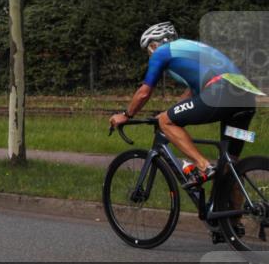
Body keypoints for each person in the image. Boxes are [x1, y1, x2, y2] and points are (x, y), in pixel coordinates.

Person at [110, 22, 262, 192]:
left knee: (166, 122)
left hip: (220, 92)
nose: (150, 55)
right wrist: (170, 111)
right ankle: (232, 217)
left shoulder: (162, 51)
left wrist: (126, 114)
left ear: (154, 45)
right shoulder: (192, 47)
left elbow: (144, 92)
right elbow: (191, 93)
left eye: (148, 50)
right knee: (230, 166)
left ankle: (203, 165)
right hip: (245, 97)